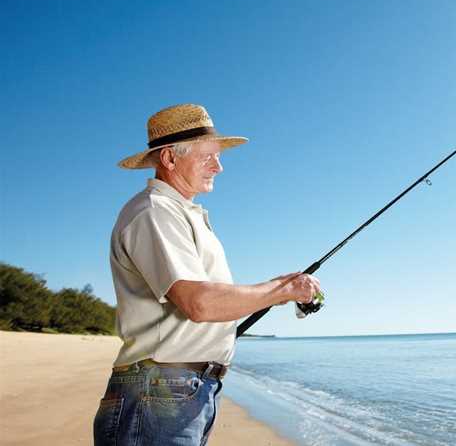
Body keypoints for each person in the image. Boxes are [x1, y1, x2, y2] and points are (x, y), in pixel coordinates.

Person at [93, 103, 320, 446]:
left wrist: (280, 288)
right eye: (207, 156)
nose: (219, 166)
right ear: (169, 159)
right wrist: (281, 290)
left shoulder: (183, 213)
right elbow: (199, 303)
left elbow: (210, 302)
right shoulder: (155, 212)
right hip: (160, 392)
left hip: (183, 391)